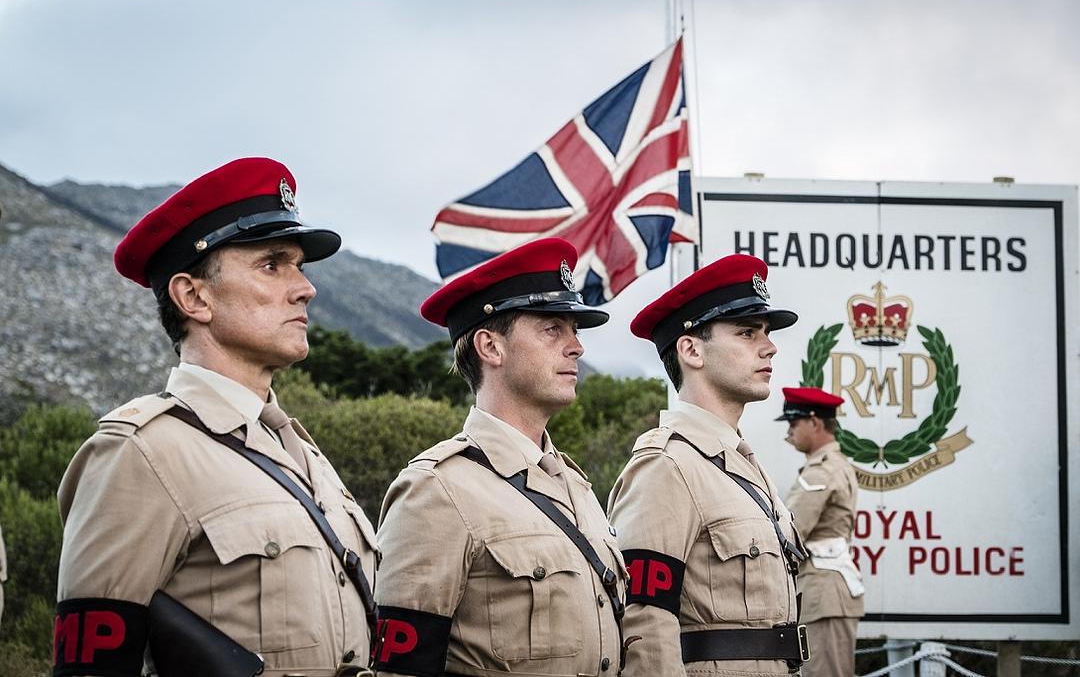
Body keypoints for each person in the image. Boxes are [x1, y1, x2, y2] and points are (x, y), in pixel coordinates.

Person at [53, 157, 378, 677]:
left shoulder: (303, 453)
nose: (305, 288)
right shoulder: (139, 453)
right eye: (272, 265)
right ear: (194, 297)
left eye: (300, 266)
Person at [372, 238, 626, 677]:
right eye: (553, 329)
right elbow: (401, 667)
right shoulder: (437, 490)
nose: (576, 347)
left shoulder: (576, 486)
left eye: (575, 331)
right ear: (491, 347)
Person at [607, 253, 809, 677]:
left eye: (766, 332)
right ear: (692, 350)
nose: (769, 346)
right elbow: (644, 626)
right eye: (747, 332)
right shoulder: (666, 466)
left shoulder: (741, 465)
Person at [777, 387, 865, 677]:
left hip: (824, 592)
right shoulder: (830, 466)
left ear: (814, 423)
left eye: (793, 423)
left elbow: (788, 534)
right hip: (826, 590)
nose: (789, 431)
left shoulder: (822, 471)